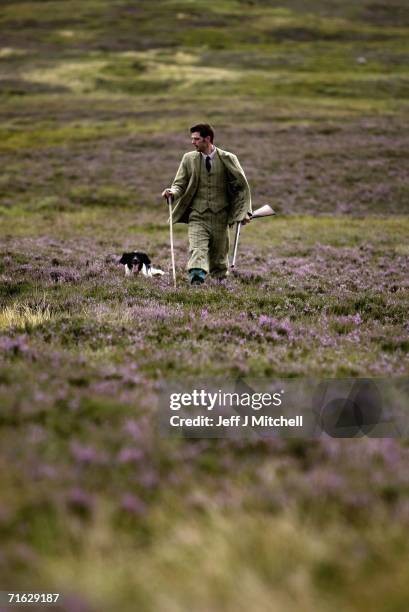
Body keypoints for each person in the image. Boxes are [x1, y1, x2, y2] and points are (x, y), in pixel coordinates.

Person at [162, 123, 252, 285]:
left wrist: (245, 212)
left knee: (219, 258)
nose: (193, 142)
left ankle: (219, 284)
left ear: (207, 139)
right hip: (197, 215)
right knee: (197, 248)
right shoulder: (188, 159)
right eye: (192, 139)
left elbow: (242, 188)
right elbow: (179, 184)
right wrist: (173, 192)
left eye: (196, 139)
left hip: (221, 216)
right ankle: (196, 280)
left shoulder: (228, 159)